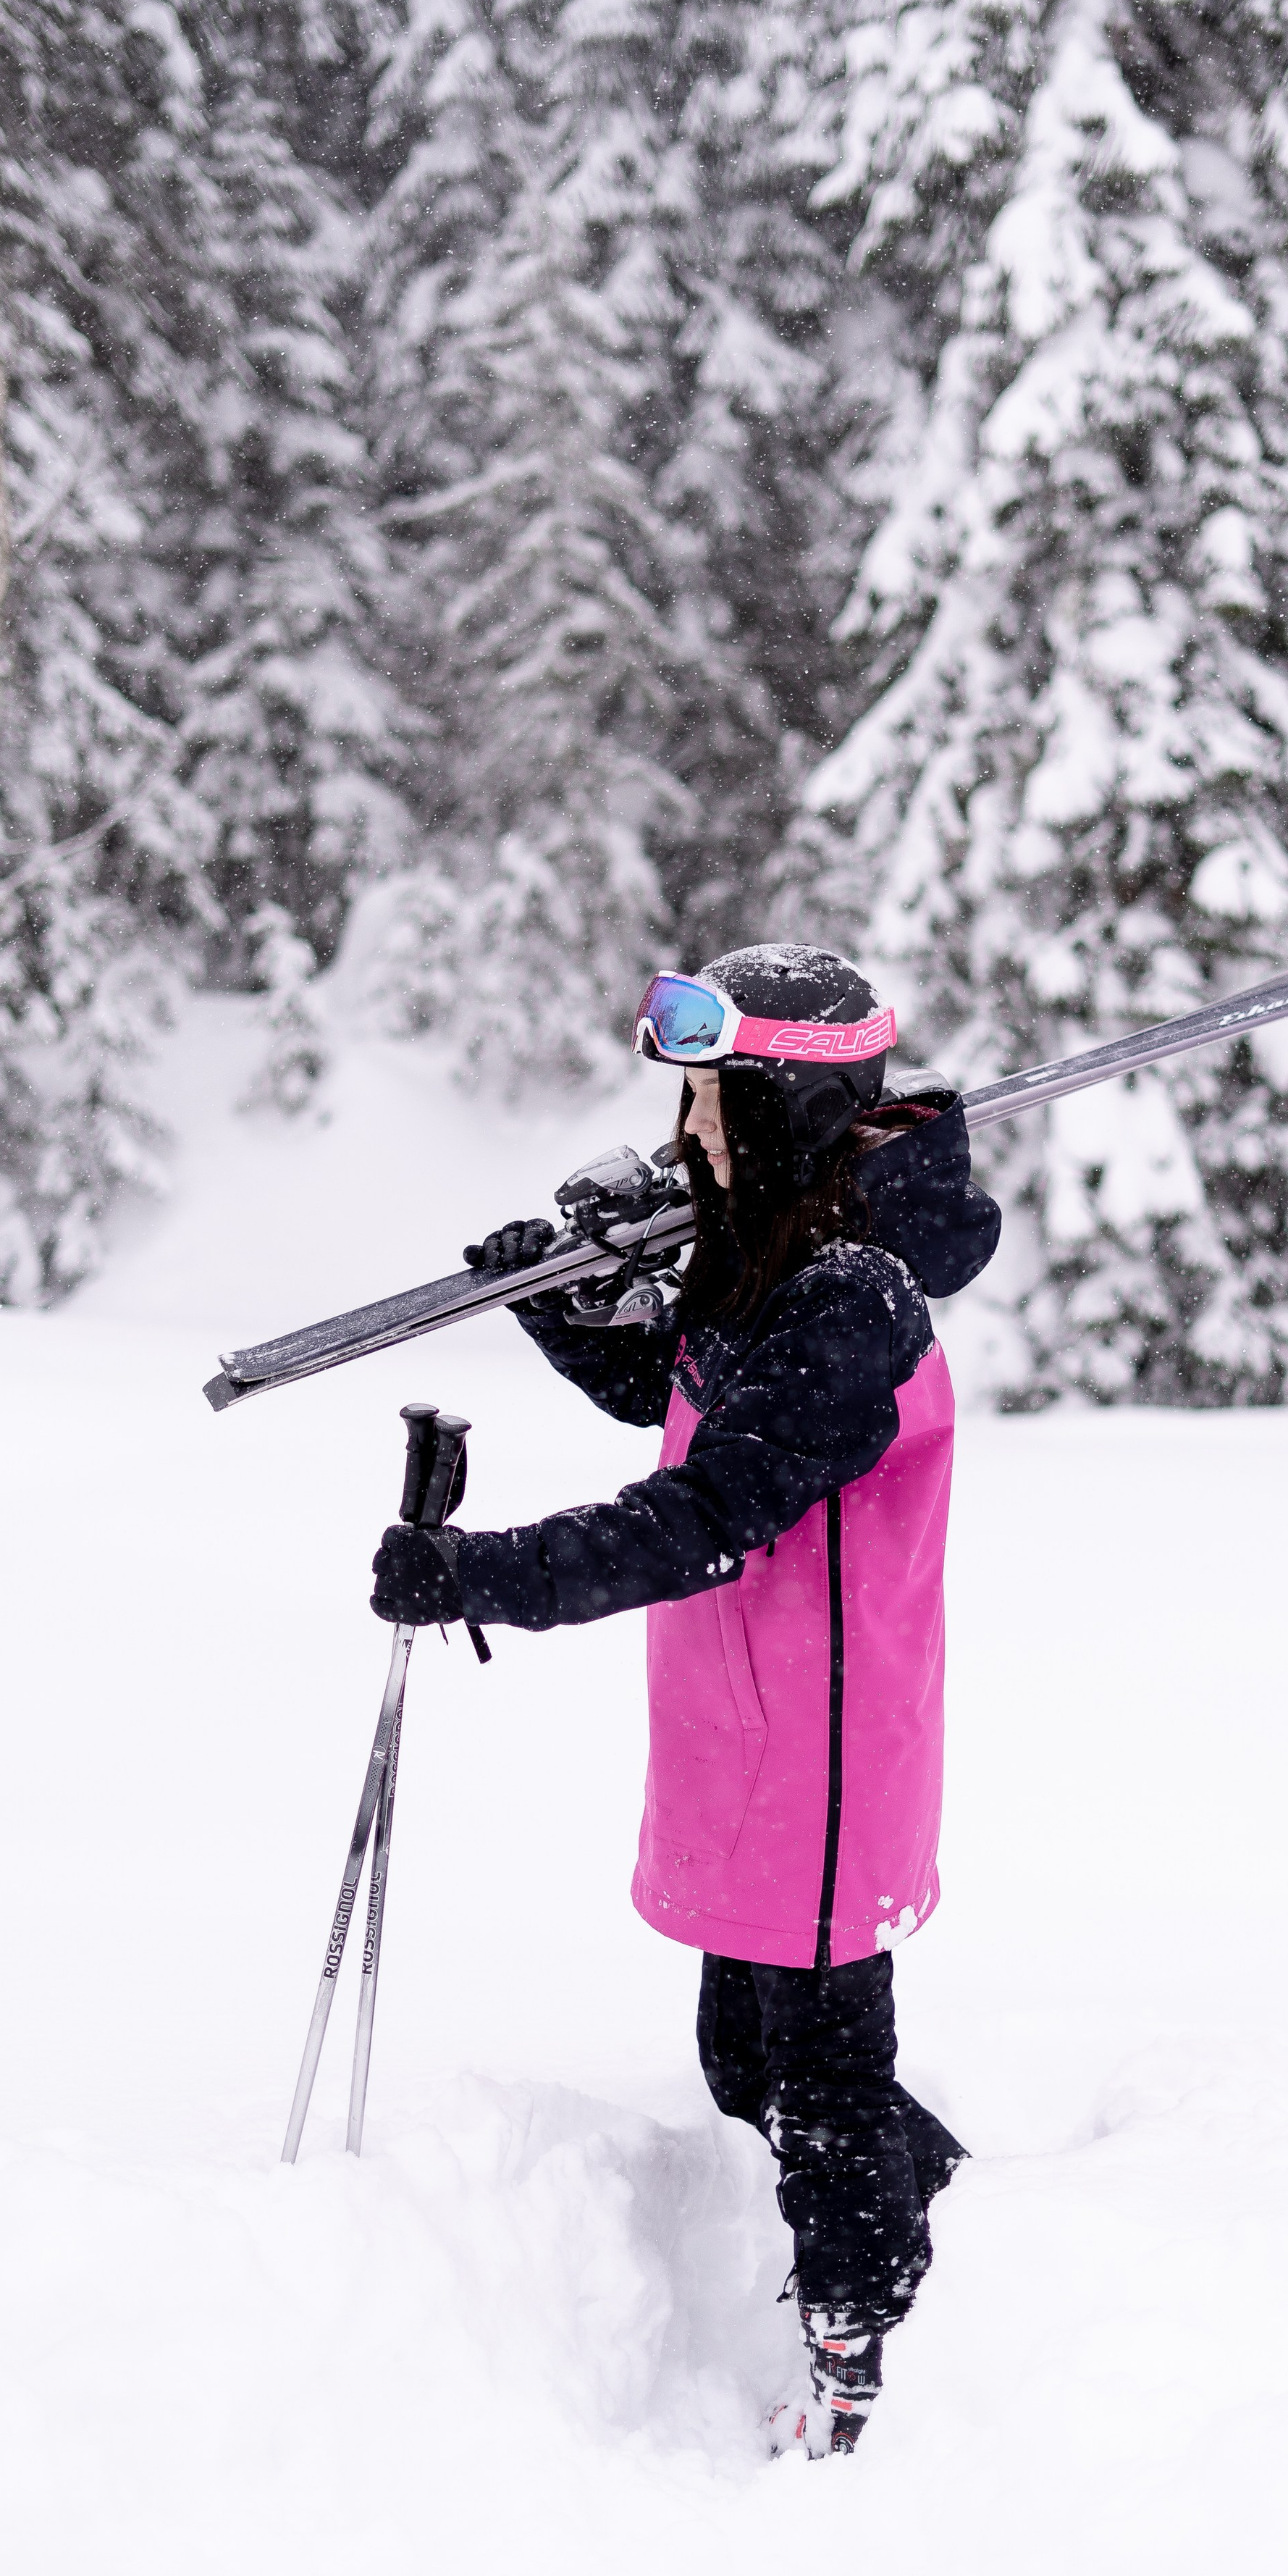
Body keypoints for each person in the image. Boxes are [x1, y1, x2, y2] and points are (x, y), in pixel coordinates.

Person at [370, 943, 1001, 2455]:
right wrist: (556, 1297)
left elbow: (704, 1509)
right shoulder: (779, 1265)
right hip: (750, 1728)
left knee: (822, 2074)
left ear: (777, 1107)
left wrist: (481, 1576)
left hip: (830, 1751)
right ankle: (925, 2197)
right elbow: (681, 1390)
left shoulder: (850, 1304)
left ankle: (857, 2348)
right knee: (744, 2058)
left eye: (710, 1103)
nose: (683, 1137)